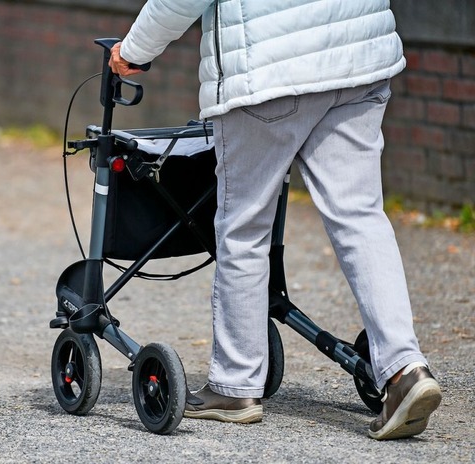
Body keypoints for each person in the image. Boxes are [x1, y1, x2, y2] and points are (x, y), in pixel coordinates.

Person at [108, 0, 441, 440]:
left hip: (270, 69)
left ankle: (236, 384)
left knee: (243, 227)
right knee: (360, 215)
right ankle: (404, 369)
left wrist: (134, 50)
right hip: (359, 57)